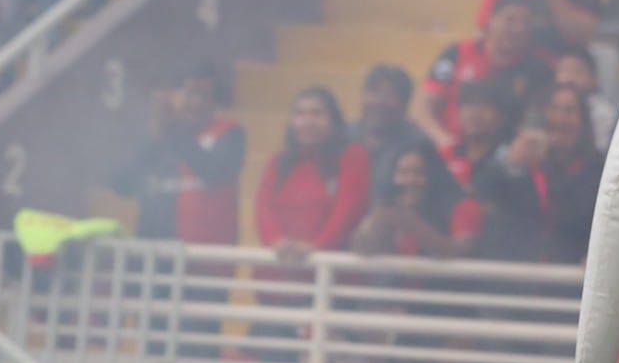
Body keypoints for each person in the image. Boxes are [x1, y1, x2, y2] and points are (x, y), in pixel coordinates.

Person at [112, 61, 241, 245]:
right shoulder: (153, 135)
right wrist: (154, 137)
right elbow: (121, 185)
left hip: (203, 258)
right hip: (151, 254)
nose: (197, 103)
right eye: (190, 93)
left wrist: (172, 128)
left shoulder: (230, 134)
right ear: (172, 95)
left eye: (205, 96)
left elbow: (215, 173)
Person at [254, 86, 368, 262]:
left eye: (317, 114)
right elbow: (264, 209)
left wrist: (316, 247)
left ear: (334, 120)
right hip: (280, 270)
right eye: (300, 114)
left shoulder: (352, 156)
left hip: (329, 272)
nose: (307, 121)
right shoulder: (277, 161)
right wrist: (277, 241)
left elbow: (348, 210)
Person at [419, 0, 547, 144]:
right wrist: (445, 143)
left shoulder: (537, 71)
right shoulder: (457, 53)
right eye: (510, 20)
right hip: (447, 149)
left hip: (500, 159)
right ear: (491, 20)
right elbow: (422, 107)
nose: (517, 29)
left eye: (525, 23)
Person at [444, 79, 543, 261]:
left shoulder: (516, 162)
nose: (475, 113)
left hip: (498, 265)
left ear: (501, 116)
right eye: (468, 105)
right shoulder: (444, 156)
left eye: (484, 105)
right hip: (445, 264)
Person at [353, 61, 450, 213]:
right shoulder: (343, 135)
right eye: (373, 91)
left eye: (389, 95)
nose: (379, 101)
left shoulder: (419, 145)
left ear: (405, 104)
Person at [534, 80, 600, 261]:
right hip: (518, 279)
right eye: (554, 109)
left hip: (570, 278)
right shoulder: (522, 166)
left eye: (569, 111)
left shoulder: (599, 171)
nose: (560, 120)